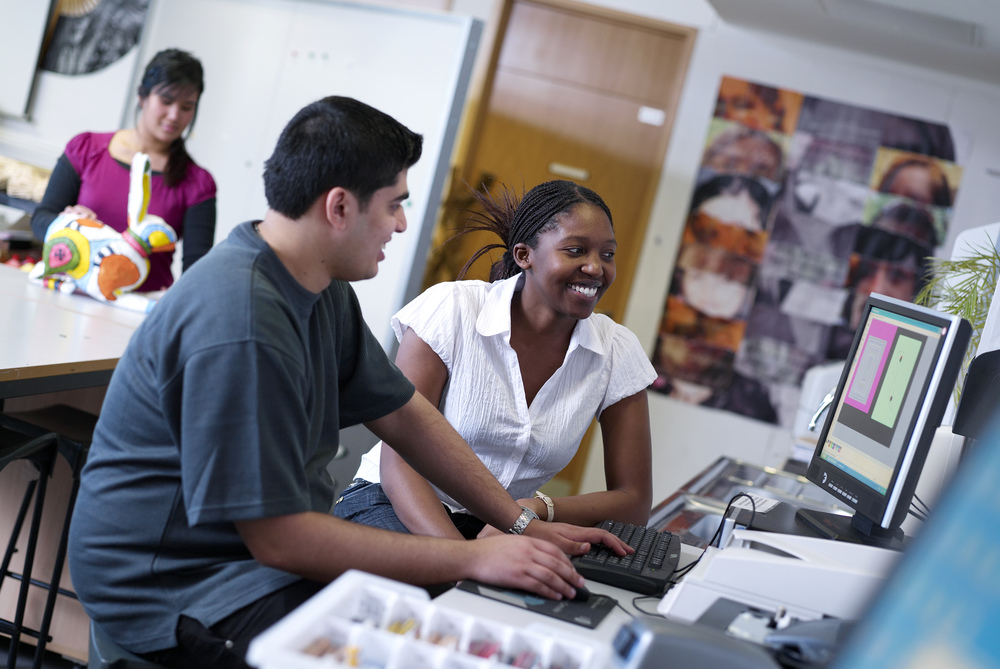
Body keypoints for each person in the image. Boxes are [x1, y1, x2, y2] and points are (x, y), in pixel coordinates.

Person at [67, 97, 626, 669]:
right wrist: (470, 560)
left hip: (251, 560)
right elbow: (281, 539)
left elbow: (406, 416)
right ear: (339, 207)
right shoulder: (240, 317)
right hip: (175, 583)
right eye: (394, 205)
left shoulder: (321, 289)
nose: (402, 223)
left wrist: (519, 523)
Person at [334, 180, 655, 539]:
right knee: (440, 588)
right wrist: (465, 559)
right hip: (395, 504)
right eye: (576, 251)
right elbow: (399, 463)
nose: (596, 268)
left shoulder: (616, 350)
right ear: (524, 256)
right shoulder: (453, 309)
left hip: (504, 526)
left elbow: (634, 501)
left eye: (607, 255)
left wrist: (537, 508)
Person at [32, 48, 216, 291]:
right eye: (166, 101)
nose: (174, 115)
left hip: (140, 307)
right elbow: (41, 219)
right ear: (143, 96)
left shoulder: (197, 183)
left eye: (187, 107)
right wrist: (67, 224)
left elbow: (197, 269)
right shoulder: (87, 149)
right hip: (71, 292)